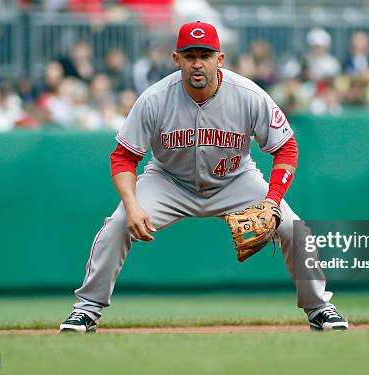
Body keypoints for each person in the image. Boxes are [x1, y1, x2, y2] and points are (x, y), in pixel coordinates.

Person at [59, 21, 348, 333]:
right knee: (116, 225)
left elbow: (286, 148)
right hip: (168, 181)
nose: (197, 63)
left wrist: (272, 201)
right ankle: (86, 311)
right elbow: (123, 157)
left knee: (293, 228)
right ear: (176, 59)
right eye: (190, 55)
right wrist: (131, 204)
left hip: (236, 180)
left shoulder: (249, 95)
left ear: (219, 59)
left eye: (205, 55)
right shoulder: (155, 98)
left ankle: (320, 308)